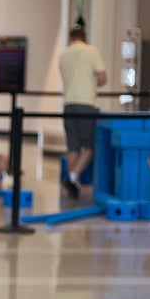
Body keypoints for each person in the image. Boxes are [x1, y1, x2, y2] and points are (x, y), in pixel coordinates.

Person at [59, 25, 107, 198]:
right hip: (86, 104)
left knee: (72, 147)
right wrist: (91, 83)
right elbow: (102, 78)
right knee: (88, 146)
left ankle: (73, 182)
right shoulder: (91, 51)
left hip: (68, 105)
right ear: (84, 38)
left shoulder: (64, 55)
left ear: (71, 38)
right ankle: (73, 177)